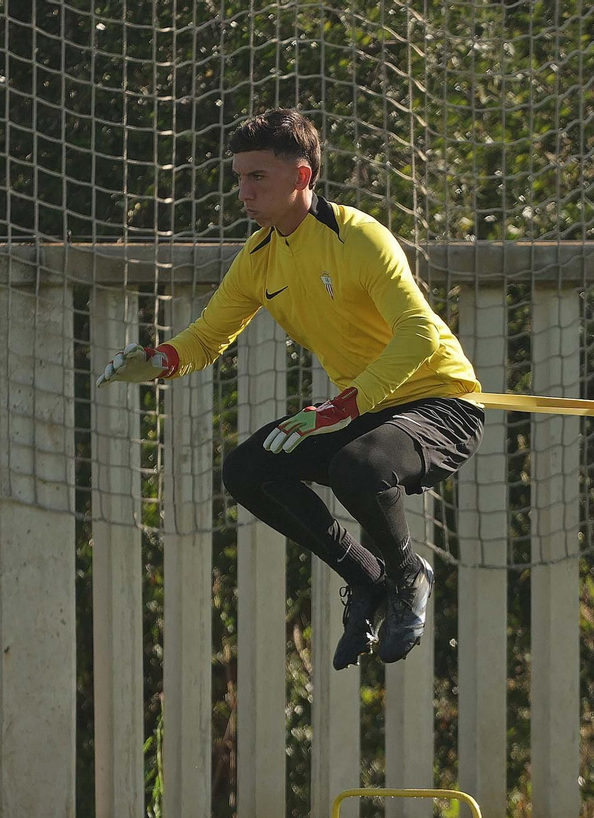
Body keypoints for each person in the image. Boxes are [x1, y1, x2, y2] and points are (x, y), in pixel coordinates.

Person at [98, 108, 484, 669]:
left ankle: (407, 579)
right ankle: (369, 578)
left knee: (359, 465)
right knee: (248, 471)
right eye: (239, 178)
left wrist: (341, 407)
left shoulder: (359, 237)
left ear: (302, 177)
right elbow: (207, 338)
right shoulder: (258, 259)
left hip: (442, 405)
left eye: (258, 178)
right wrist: (157, 361)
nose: (243, 192)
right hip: (362, 410)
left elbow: (420, 334)